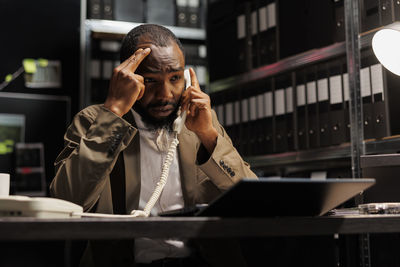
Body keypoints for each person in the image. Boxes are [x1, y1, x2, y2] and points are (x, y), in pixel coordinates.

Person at [50, 24, 257, 267]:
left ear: (188, 77)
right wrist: (114, 113)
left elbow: (253, 199)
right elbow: (68, 200)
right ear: (128, 76)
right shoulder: (93, 121)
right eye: (151, 80)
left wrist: (208, 135)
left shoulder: (199, 120)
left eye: (175, 78)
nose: (165, 94)